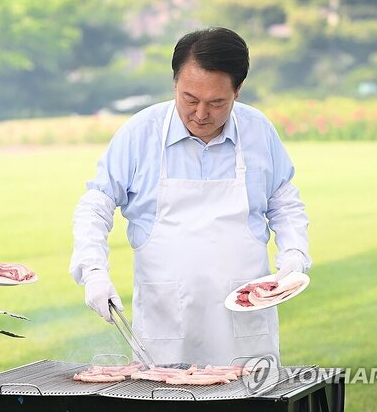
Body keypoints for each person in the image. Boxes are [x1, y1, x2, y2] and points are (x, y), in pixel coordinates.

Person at [69, 27, 311, 366]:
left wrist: (294, 255)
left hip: (246, 323)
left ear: (237, 91)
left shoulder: (258, 131)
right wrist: (93, 270)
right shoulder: (141, 133)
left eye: (216, 103)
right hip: (166, 322)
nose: (200, 114)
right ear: (174, 84)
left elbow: (284, 202)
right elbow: (96, 204)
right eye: (189, 99)